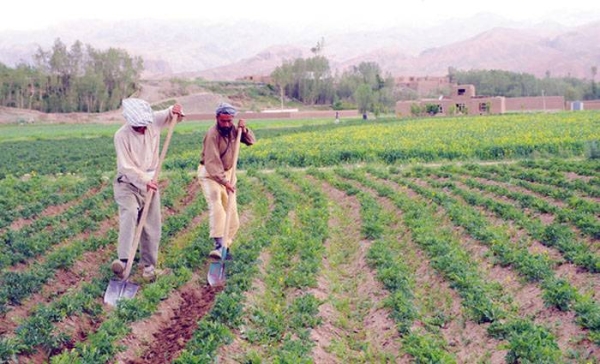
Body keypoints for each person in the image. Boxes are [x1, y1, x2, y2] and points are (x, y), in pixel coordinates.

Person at [111, 98, 184, 281]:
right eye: (138, 127)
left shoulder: (153, 120)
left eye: (145, 125)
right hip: (128, 183)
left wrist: (175, 110)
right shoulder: (121, 136)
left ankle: (148, 266)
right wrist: (144, 180)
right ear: (129, 122)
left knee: (152, 224)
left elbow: (171, 114)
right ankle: (123, 261)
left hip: (151, 181)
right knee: (129, 213)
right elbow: (125, 167)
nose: (143, 129)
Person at [198, 102, 256, 260]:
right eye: (223, 121)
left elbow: (251, 141)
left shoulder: (234, 130)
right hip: (211, 175)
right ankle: (218, 244)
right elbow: (212, 162)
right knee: (217, 203)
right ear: (217, 118)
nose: (226, 124)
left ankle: (225, 246)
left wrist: (244, 130)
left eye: (229, 121)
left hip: (228, 175)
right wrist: (225, 182)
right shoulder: (212, 134)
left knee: (232, 215)